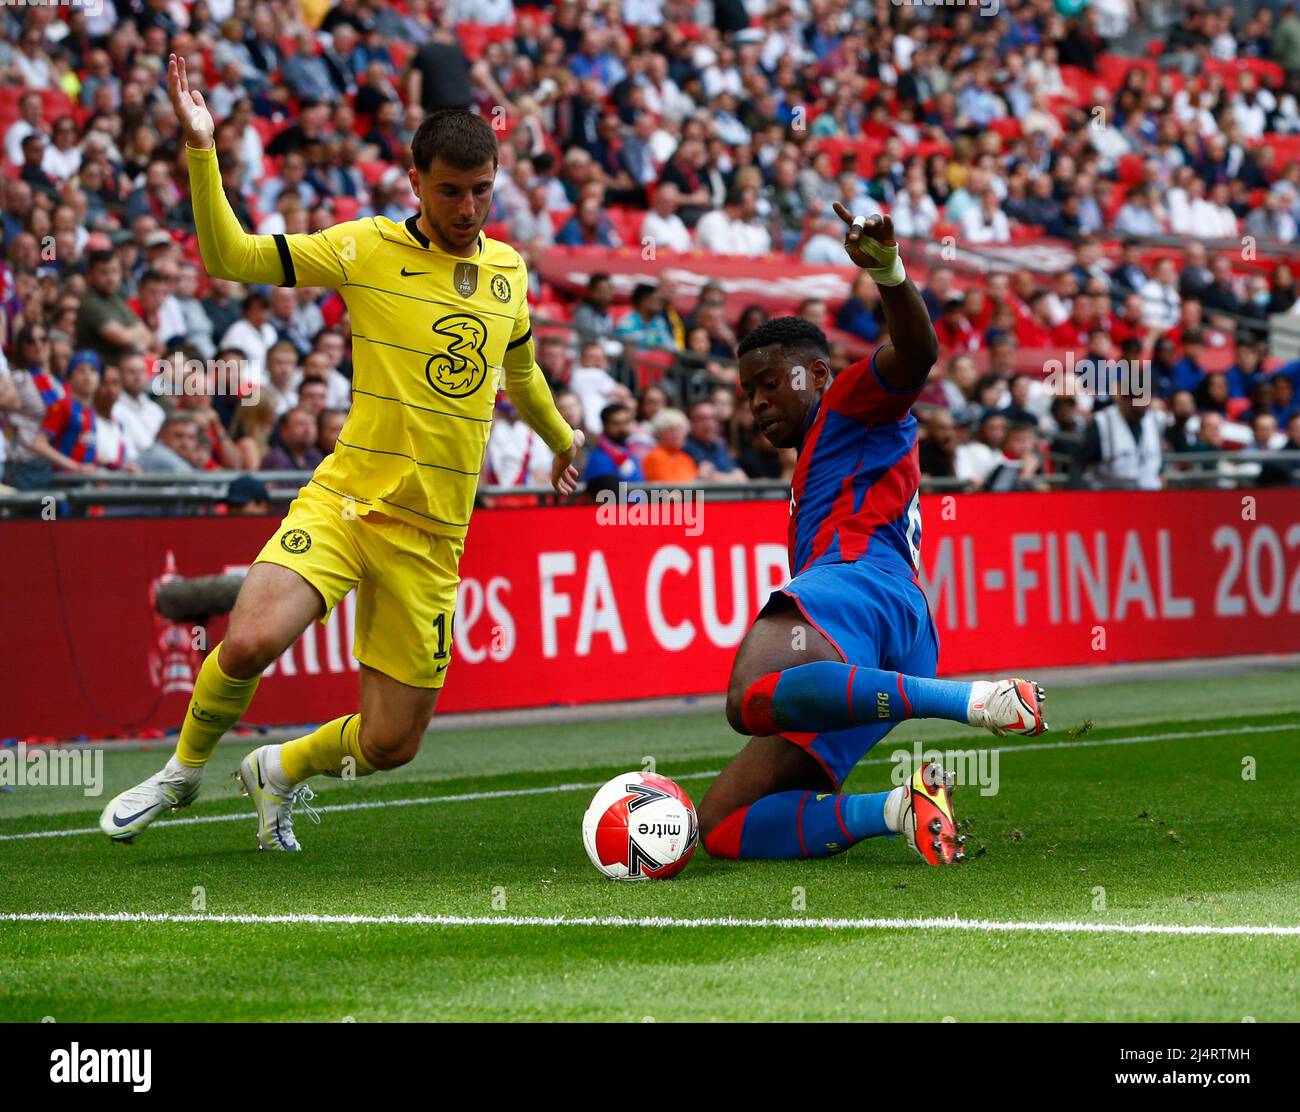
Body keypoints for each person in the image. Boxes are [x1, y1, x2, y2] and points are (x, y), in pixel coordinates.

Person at [100, 60, 582, 852]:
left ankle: (279, 769)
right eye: (451, 190)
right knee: (251, 640)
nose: (468, 208)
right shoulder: (363, 248)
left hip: (431, 537)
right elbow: (233, 259)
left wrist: (562, 439)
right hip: (347, 502)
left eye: (481, 191)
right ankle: (181, 774)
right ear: (415, 182)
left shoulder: (507, 273)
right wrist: (202, 150)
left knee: (392, 743)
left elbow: (520, 373)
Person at [696, 206, 1047, 869]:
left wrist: (887, 271)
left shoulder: (849, 402)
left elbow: (916, 354)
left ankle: (976, 699)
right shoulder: (820, 456)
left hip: (860, 584)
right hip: (895, 628)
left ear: (817, 374)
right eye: (748, 392)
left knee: (748, 698)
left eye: (770, 383)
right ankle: (898, 809)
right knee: (720, 824)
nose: (758, 402)